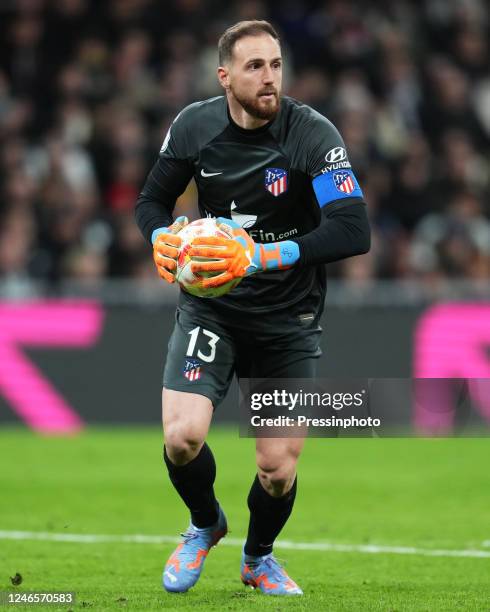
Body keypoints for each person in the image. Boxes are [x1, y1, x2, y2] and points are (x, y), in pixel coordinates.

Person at [135, 19, 370, 596]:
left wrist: (261, 257)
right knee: (180, 437)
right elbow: (151, 200)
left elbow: (353, 229)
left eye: (276, 65)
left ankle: (257, 557)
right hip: (212, 309)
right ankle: (203, 523)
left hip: (287, 320)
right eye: (255, 67)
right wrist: (160, 237)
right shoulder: (194, 126)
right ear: (225, 77)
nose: (270, 79)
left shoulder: (312, 135)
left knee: (276, 468)